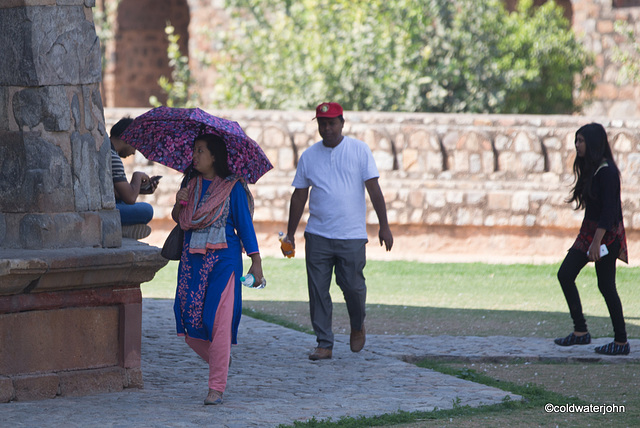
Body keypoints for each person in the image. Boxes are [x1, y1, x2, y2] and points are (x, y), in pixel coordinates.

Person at [284, 102, 393, 361]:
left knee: (353, 288)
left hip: (351, 236)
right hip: (318, 235)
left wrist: (384, 226)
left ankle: (357, 324)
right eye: (322, 123)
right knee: (318, 290)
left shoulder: (359, 150)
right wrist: (290, 234)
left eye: (332, 122)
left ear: (342, 123)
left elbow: (374, 190)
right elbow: (299, 197)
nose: (327, 128)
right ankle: (324, 343)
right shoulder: (309, 156)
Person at [171, 134, 264, 405]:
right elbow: (182, 221)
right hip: (193, 262)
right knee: (190, 323)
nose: (195, 156)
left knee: (218, 322)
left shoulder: (232, 188)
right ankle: (221, 358)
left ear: (214, 157)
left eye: (201, 151)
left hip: (224, 262)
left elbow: (245, 225)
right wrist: (180, 202)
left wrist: (255, 261)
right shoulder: (191, 184)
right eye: (194, 150)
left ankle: (216, 387)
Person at [554, 123, 630, 356]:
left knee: (606, 285)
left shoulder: (607, 171)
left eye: (582, 141)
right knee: (565, 274)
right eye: (576, 141)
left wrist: (596, 243)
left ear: (594, 143)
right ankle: (581, 332)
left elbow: (609, 212)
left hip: (606, 235)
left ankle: (621, 342)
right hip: (589, 233)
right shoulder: (593, 168)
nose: (577, 145)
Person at [110, 117, 156, 239]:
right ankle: (121, 229)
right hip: (106, 212)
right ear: (128, 138)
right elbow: (130, 198)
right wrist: (138, 175)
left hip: (109, 204)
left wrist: (139, 189)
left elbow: (111, 192)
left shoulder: (105, 150)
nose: (134, 152)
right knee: (147, 210)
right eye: (135, 146)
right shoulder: (112, 157)